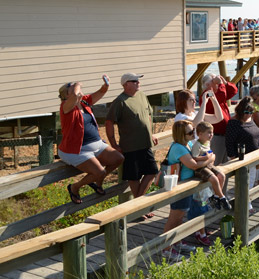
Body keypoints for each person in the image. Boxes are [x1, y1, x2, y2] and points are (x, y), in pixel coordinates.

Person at [58, 77, 124, 204]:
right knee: (99, 171)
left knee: (118, 158)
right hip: (77, 149)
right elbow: (76, 94)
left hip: (97, 145)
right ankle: (75, 187)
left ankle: (98, 181)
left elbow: (101, 92)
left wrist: (106, 85)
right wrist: (77, 84)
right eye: (70, 87)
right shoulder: (65, 107)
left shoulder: (84, 102)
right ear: (67, 95)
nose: (76, 87)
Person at [161, 120, 215, 260]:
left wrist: (207, 158)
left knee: (180, 217)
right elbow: (194, 165)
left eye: (194, 131)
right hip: (179, 187)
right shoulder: (179, 147)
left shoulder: (188, 144)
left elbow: (200, 159)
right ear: (181, 135)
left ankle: (177, 242)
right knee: (174, 218)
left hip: (187, 186)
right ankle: (166, 249)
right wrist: (210, 159)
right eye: (190, 132)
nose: (194, 134)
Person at [105, 73, 159, 217]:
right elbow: (109, 122)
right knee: (134, 177)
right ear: (126, 84)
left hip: (145, 143)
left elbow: (147, 114)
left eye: (138, 80)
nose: (138, 83)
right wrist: (114, 144)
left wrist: (151, 133)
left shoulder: (141, 95)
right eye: (134, 81)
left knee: (152, 171)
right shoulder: (120, 101)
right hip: (129, 146)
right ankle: (140, 208)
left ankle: (137, 206)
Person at [224, 97, 259, 212]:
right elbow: (229, 142)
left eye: (251, 112)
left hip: (254, 156)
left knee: (251, 180)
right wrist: (233, 157)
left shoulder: (250, 119)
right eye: (246, 112)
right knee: (244, 181)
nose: (249, 114)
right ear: (240, 111)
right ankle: (245, 204)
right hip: (241, 158)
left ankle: (246, 201)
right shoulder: (234, 123)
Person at [200, 73, 238, 167]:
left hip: (225, 135)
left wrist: (225, 83)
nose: (217, 82)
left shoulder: (219, 93)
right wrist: (220, 84)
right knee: (216, 165)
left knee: (225, 165)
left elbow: (234, 91)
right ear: (208, 85)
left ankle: (222, 181)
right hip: (216, 137)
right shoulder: (206, 96)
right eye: (214, 81)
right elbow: (221, 96)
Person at [191, 121, 231, 209]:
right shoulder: (197, 145)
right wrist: (206, 157)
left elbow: (209, 153)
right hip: (200, 168)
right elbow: (194, 158)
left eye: (212, 132)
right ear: (200, 134)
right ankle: (222, 197)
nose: (211, 135)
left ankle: (216, 196)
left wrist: (209, 157)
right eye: (209, 133)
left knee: (221, 176)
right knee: (214, 179)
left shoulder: (207, 142)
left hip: (208, 165)